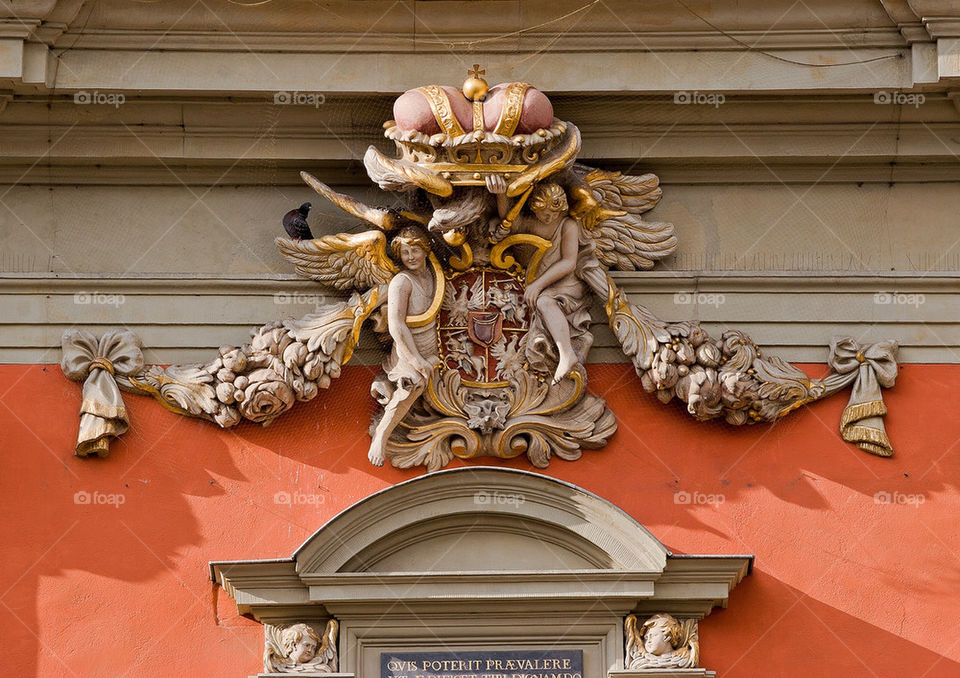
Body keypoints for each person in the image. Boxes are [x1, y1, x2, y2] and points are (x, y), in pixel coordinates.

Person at [487, 175, 592, 384]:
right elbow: (511, 221)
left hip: (566, 283)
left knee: (544, 302)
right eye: (543, 214)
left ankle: (566, 353)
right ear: (534, 210)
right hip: (540, 281)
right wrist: (500, 194)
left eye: (553, 213)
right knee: (541, 301)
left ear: (561, 208)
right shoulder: (531, 224)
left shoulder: (567, 225)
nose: (548, 218)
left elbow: (569, 262)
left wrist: (538, 284)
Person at [368, 227, 438, 466]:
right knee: (413, 382)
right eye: (405, 252)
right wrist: (416, 359)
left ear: (426, 250)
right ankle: (382, 434)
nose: (410, 256)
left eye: (415, 250)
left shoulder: (434, 275)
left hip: (435, 341)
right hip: (408, 345)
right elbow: (396, 325)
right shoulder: (401, 281)